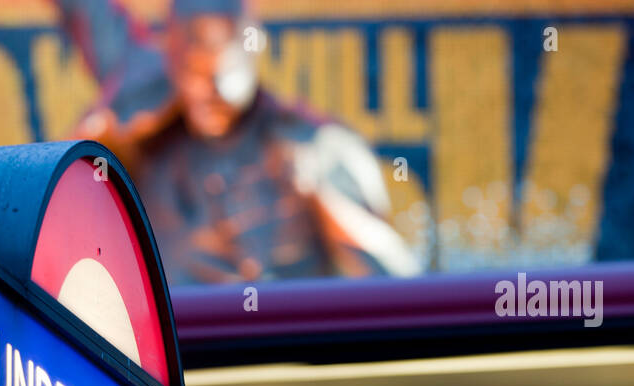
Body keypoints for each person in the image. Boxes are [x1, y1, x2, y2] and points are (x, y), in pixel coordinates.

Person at [55, 0, 420, 284]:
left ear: (253, 45)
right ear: (172, 57)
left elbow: (398, 284)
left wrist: (325, 201)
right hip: (172, 365)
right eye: (195, 69)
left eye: (225, 69)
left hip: (282, 361)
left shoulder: (314, 146)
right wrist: (108, 131)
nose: (212, 89)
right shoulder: (140, 103)